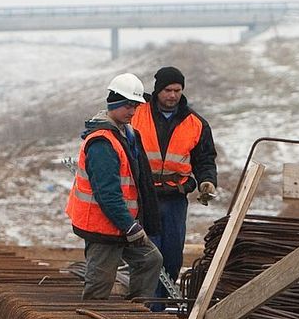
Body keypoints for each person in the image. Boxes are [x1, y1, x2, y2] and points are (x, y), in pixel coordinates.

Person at [65, 73, 163, 300]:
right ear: (114, 102)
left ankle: (135, 315)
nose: (132, 111)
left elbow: (138, 182)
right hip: (102, 228)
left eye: (135, 106)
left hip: (122, 224)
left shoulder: (127, 135)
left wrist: (136, 222)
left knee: (150, 260)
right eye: (128, 106)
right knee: (99, 289)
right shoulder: (102, 142)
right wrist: (130, 226)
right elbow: (107, 194)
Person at [131, 66, 218, 301]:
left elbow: (205, 159)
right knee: (148, 253)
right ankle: (145, 303)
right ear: (157, 90)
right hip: (143, 196)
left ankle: (161, 305)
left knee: (171, 254)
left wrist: (207, 181)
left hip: (175, 199)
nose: (172, 95)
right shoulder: (136, 114)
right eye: (167, 90)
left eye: (177, 90)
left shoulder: (196, 124)